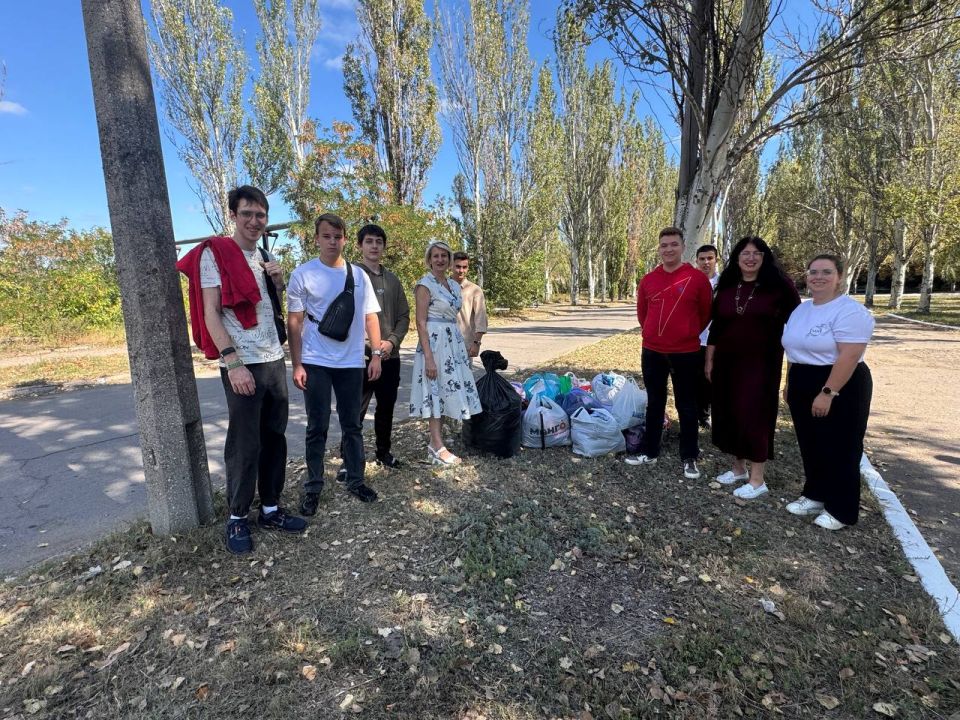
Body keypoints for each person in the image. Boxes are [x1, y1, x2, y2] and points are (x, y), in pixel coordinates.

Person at [176, 185, 306, 555]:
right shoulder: (215, 255)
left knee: (274, 436)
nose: (254, 221)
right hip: (241, 362)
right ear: (233, 214)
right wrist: (232, 363)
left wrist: (278, 282)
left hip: (271, 358)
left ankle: (270, 508)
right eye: (247, 213)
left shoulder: (264, 255)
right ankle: (237, 517)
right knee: (245, 442)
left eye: (260, 215)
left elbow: (270, 311)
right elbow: (211, 312)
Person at [288, 213, 383, 514]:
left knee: (352, 425)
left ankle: (356, 479)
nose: (332, 241)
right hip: (315, 361)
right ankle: (313, 487)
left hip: (351, 362)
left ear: (344, 239)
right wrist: (297, 364)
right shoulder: (302, 274)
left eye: (337, 236)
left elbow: (370, 317)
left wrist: (377, 354)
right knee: (317, 426)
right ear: (316, 238)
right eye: (326, 236)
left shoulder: (358, 275)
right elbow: (294, 321)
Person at [781, 254, 874, 530]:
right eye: (813, 272)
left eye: (826, 272)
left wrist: (828, 392)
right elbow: (792, 349)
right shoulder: (801, 309)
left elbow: (850, 355)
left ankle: (841, 509)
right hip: (802, 377)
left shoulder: (849, 311)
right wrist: (789, 382)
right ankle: (815, 494)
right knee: (811, 442)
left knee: (842, 446)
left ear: (839, 277)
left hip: (839, 382)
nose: (818, 277)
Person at [705, 237, 800, 500]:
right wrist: (709, 359)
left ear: (764, 257)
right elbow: (717, 326)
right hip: (726, 362)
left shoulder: (780, 287)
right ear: (736, 258)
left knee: (755, 416)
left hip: (762, 364)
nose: (750, 258)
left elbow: (797, 326)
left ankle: (757, 479)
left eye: (756, 253)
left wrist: (794, 368)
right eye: (745, 253)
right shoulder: (726, 286)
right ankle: (738, 468)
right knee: (731, 413)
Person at [627, 227, 713, 479]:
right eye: (664, 245)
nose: (668, 249)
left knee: (687, 404)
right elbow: (643, 314)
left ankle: (689, 455)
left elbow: (706, 313)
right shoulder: (648, 280)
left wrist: (686, 333)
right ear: (659, 248)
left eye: (673, 244)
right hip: (652, 351)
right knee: (654, 402)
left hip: (686, 352)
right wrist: (654, 334)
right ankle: (649, 450)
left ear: (682, 247)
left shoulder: (697, 279)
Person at [337, 223, 409, 473]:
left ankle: (383, 452)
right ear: (359, 245)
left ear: (384, 246)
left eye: (379, 241)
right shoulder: (350, 276)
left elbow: (404, 316)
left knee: (386, 407)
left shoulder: (392, 280)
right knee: (355, 410)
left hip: (391, 355)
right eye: (369, 241)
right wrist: (373, 346)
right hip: (359, 356)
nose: (374, 246)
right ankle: (349, 460)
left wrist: (391, 342)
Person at [409, 241, 482, 465]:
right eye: (435, 256)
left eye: (444, 256)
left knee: (445, 389)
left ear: (449, 259)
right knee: (434, 391)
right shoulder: (425, 284)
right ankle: (436, 445)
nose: (440, 259)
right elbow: (420, 322)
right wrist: (429, 357)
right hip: (434, 343)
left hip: (453, 342)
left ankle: (438, 441)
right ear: (429, 259)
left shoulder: (453, 284)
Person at [695, 244, 720, 428]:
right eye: (702, 259)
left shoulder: (724, 284)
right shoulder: (691, 282)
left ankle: (707, 415)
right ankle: (696, 415)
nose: (706, 262)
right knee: (694, 380)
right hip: (693, 341)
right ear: (696, 261)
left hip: (716, 341)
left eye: (709, 258)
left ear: (716, 260)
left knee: (711, 380)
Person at [451, 251, 488, 360]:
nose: (461, 271)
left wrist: (476, 343)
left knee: (464, 377)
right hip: (443, 344)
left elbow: (481, 320)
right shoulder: (442, 287)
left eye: (464, 267)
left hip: (465, 345)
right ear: (451, 266)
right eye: (458, 266)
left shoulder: (475, 290)